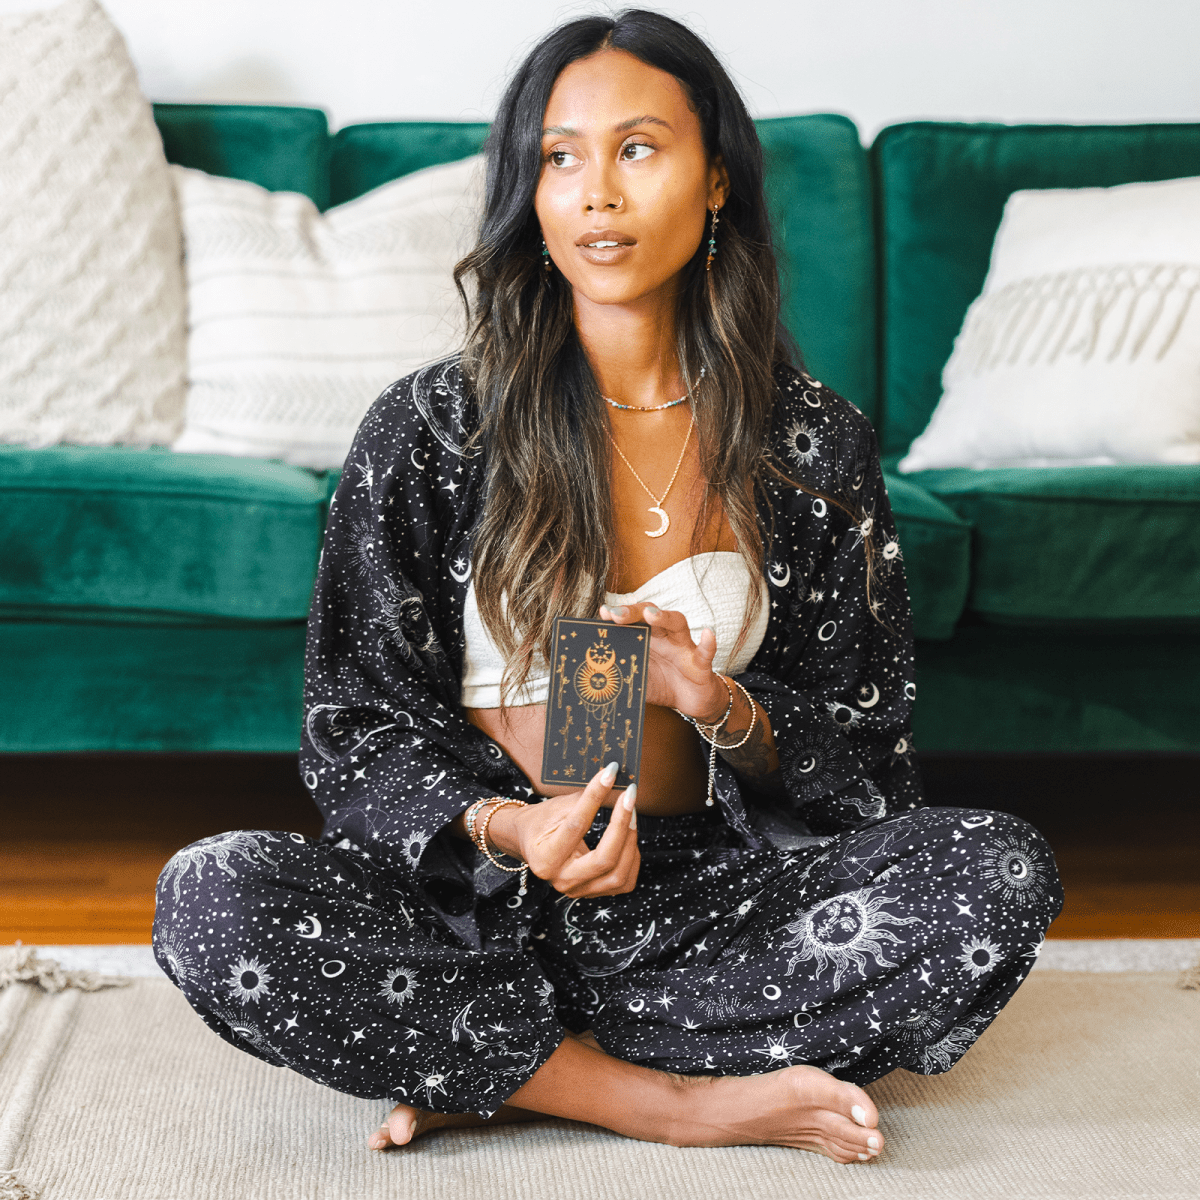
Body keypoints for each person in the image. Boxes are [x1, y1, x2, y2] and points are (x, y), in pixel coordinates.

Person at [152, 8, 1064, 1164]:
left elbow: (872, 746)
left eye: (638, 148)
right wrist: (510, 828)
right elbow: (354, 727)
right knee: (215, 894)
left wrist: (722, 704)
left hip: (707, 906)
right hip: (475, 909)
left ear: (718, 179)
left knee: (996, 873)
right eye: (559, 156)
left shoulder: (813, 446)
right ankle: (670, 1098)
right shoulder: (428, 431)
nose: (597, 191)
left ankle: (500, 1064)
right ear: (527, 192)